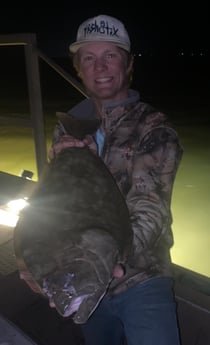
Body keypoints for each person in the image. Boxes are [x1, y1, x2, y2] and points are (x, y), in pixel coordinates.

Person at [23, 14, 183, 345]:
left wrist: (108, 261)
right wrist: (36, 259)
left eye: (110, 55)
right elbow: (55, 205)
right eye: (89, 59)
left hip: (143, 278)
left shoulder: (155, 128)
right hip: (89, 277)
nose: (100, 67)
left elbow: (150, 210)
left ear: (128, 64)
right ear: (78, 68)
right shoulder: (68, 126)